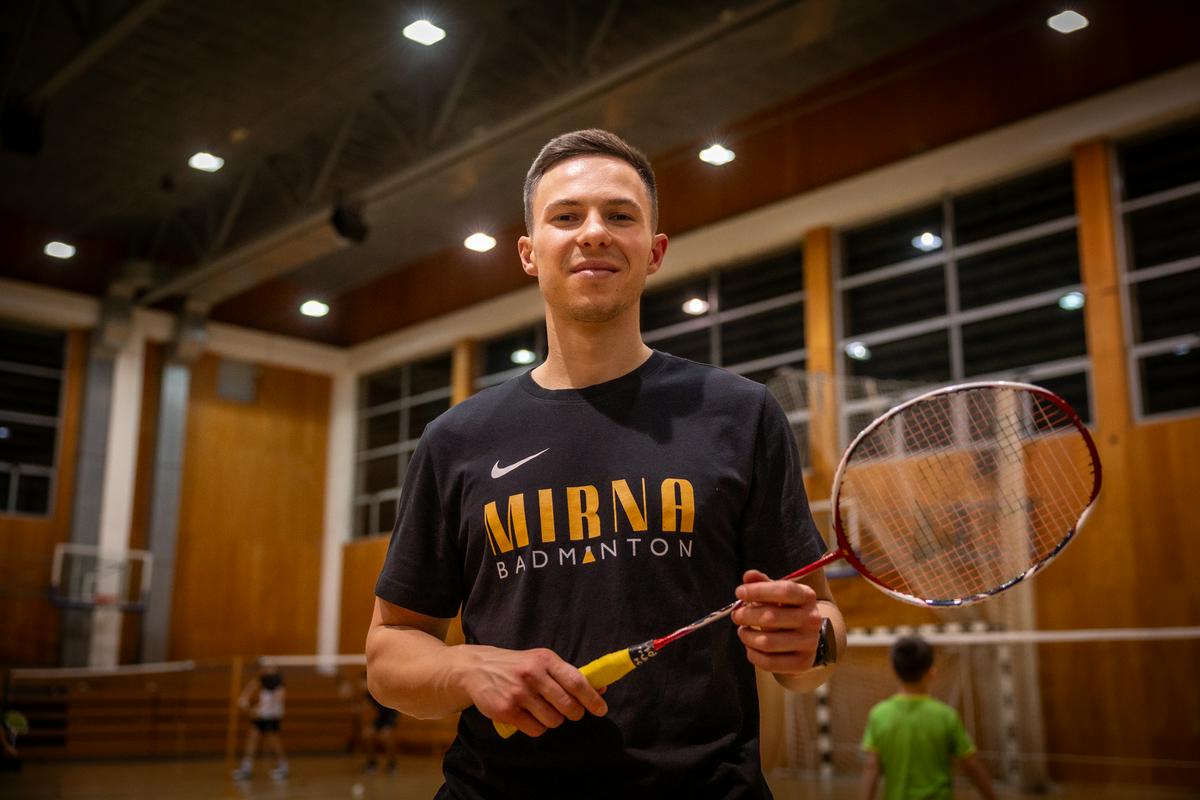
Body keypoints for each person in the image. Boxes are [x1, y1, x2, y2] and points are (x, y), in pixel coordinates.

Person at [367, 128, 846, 798]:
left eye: (619, 215)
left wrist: (808, 644)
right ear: (530, 254)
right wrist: (468, 669)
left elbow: (820, 627)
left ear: (654, 252)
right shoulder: (456, 439)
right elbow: (389, 652)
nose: (593, 232)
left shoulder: (740, 413)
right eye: (566, 217)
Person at [860, 636, 997, 800]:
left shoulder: (879, 714)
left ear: (894, 670)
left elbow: (872, 766)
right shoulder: (946, 716)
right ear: (931, 672)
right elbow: (971, 764)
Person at [232, 665, 289, 781]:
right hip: (262, 716)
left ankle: (283, 767)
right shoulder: (263, 679)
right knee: (252, 738)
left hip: (272, 717)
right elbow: (252, 685)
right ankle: (246, 768)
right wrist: (244, 697)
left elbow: (278, 699)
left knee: (274, 742)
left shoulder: (279, 684)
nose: (266, 669)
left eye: (270, 668)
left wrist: (258, 708)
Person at [361, 687, 399, 773]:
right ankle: (372, 762)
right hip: (380, 717)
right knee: (366, 735)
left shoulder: (384, 689)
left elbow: (394, 708)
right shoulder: (369, 693)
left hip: (391, 715)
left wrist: (390, 724)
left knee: (384, 736)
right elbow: (365, 706)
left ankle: (392, 763)